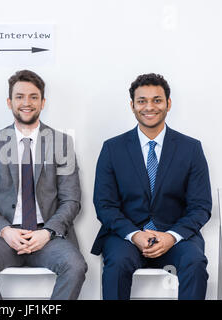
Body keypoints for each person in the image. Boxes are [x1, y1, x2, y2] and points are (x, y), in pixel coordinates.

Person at [0, 70, 87, 300]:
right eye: (20, 96)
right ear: (9, 102)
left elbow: (71, 199)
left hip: (47, 235)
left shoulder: (61, 142)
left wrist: (47, 232)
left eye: (33, 97)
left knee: (75, 266)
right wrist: (5, 231)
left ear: (43, 102)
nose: (26, 103)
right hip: (3, 236)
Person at [91, 73, 212, 300]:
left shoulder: (191, 149)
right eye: (142, 101)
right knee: (116, 265)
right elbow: (104, 205)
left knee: (195, 262)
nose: (149, 107)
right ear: (132, 105)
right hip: (126, 236)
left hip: (176, 235)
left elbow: (201, 206)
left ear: (168, 104)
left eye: (157, 100)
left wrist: (171, 236)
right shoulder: (112, 148)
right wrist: (134, 234)